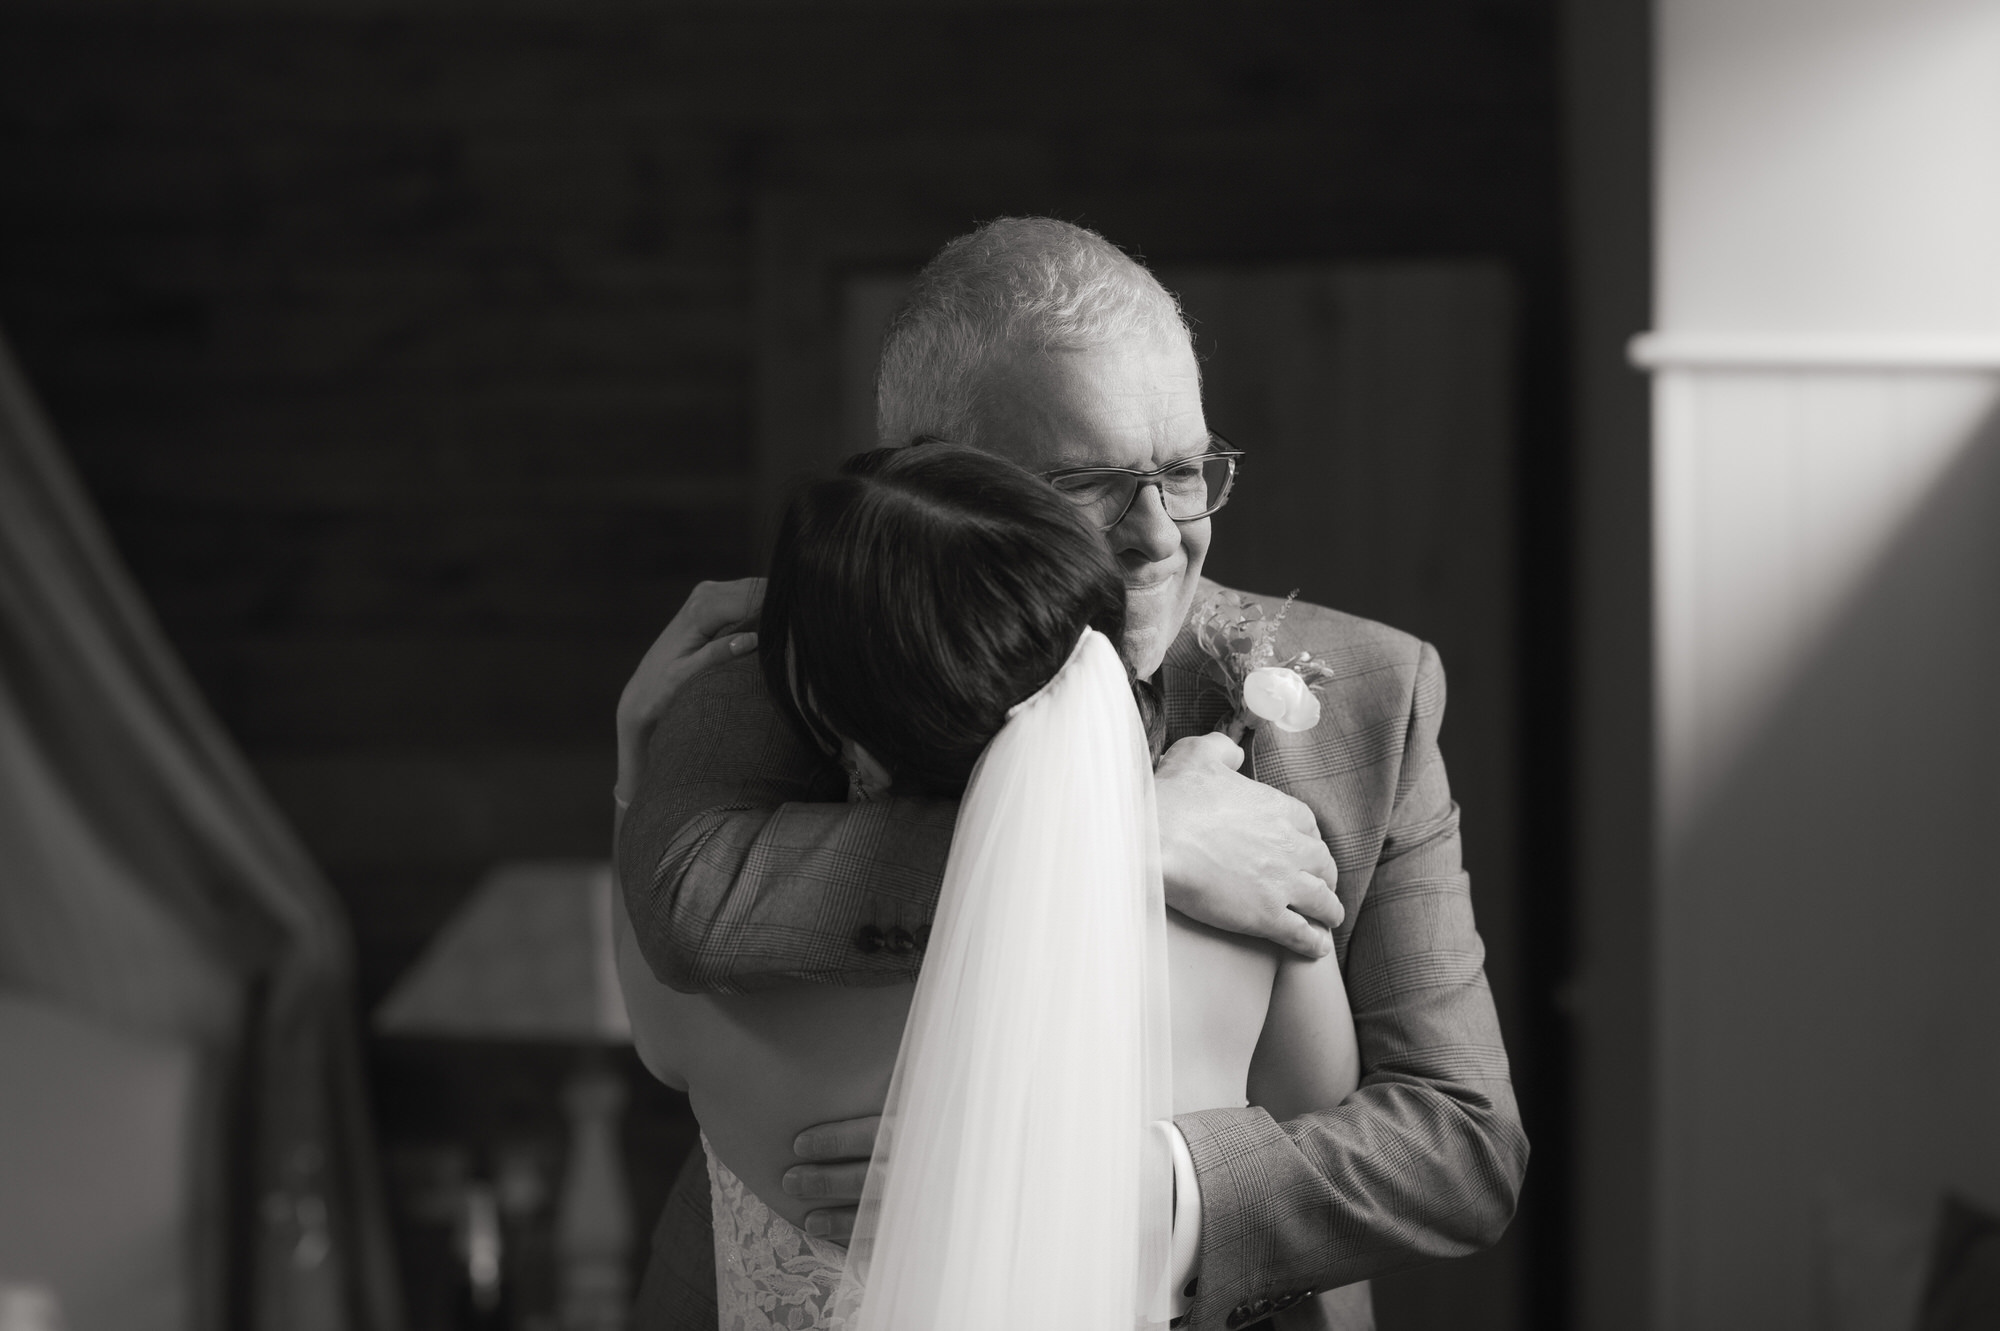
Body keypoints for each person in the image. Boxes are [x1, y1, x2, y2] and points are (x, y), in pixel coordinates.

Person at [618, 218, 1527, 1331]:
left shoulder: (1370, 691)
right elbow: (690, 902)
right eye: (1086, 481)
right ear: (933, 481)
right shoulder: (786, 657)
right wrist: (1130, 836)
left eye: (1188, 471)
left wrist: (1095, 1188)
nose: (1156, 535)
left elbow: (1458, 1146)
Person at [614, 443, 1359, 1329]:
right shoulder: (1251, 920)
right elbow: (1321, 1164)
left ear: (816, 705)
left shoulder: (700, 996)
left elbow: (655, 949)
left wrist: (638, 757)